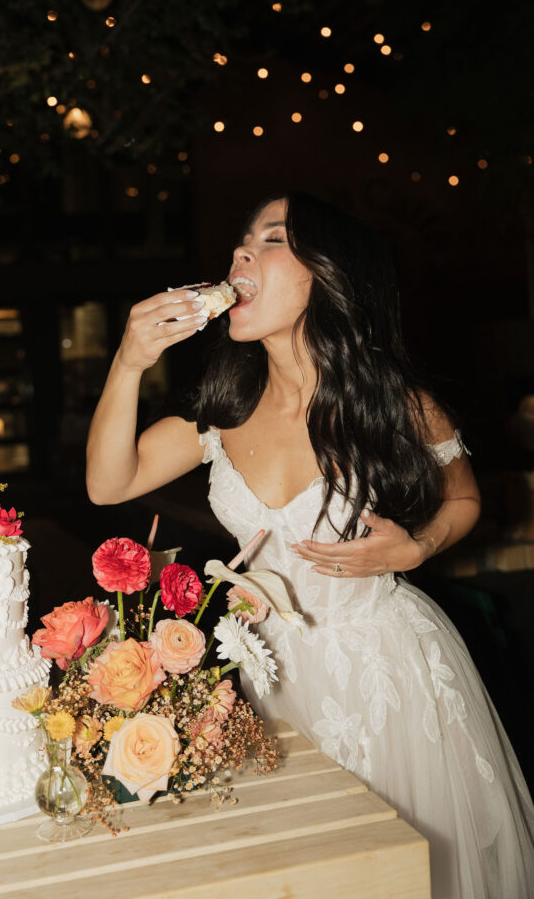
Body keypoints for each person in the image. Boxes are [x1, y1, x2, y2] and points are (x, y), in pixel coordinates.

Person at [86, 191, 534, 898]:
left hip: (386, 669)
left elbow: (463, 498)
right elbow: (110, 485)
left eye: (270, 239)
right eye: (241, 239)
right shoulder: (221, 414)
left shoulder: (395, 403)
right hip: (270, 677)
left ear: (329, 275)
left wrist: (414, 549)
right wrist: (128, 362)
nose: (240, 252)